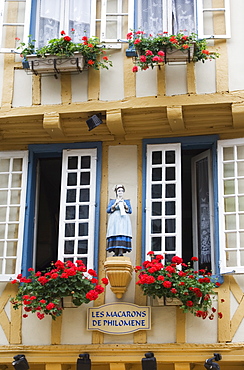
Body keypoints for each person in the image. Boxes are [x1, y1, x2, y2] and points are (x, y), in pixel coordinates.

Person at [106, 184, 132, 256]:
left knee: (122, 232)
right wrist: (114, 205)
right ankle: (115, 251)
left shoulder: (126, 201)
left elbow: (130, 210)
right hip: (115, 218)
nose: (120, 192)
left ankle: (121, 251)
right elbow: (108, 210)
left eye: (121, 191)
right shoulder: (112, 201)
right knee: (115, 232)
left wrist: (125, 206)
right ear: (116, 192)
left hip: (123, 218)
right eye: (119, 191)